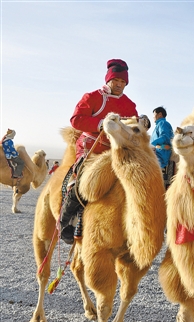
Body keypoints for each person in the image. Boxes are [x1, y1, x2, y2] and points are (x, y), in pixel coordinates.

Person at [59, 59, 139, 244]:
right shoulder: (93, 97)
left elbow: (133, 126)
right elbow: (76, 120)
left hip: (118, 152)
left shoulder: (129, 104)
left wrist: (140, 124)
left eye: (123, 82)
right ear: (108, 79)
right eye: (116, 81)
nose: (119, 85)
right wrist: (100, 124)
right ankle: (65, 222)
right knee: (84, 181)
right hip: (92, 149)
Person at [150, 106, 174, 189]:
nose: (153, 117)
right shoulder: (160, 125)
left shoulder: (163, 123)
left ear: (159, 114)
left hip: (161, 155)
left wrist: (150, 145)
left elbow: (165, 137)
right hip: (156, 153)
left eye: (154, 115)